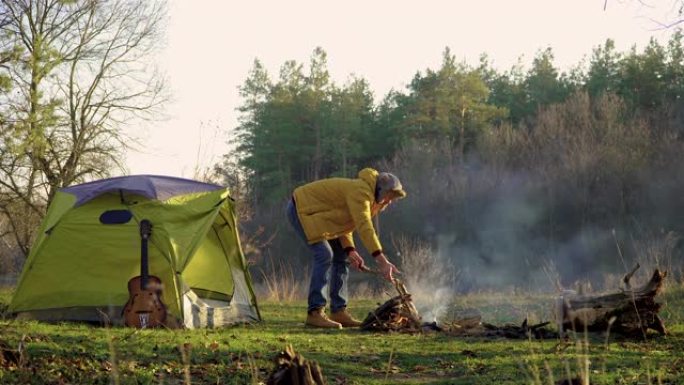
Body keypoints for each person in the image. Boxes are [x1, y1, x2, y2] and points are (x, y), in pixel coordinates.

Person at [286, 168, 406, 329]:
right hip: (302, 209)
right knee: (324, 255)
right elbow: (364, 227)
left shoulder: (368, 198)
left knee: (341, 256)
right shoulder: (361, 192)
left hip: (320, 217)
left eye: (393, 198)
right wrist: (382, 261)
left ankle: (338, 312)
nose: (389, 201)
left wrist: (350, 250)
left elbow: (344, 222)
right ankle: (315, 312)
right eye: (389, 196)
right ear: (380, 190)